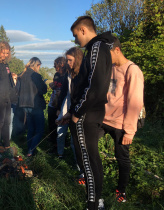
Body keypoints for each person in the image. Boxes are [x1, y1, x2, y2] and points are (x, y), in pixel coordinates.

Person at [62, 16, 114, 210]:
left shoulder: (96, 48)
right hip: (88, 112)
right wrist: (71, 112)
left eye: (76, 35)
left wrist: (77, 113)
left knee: (88, 161)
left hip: (88, 114)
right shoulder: (99, 48)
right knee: (92, 158)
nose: (76, 40)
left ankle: (92, 204)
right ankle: (97, 200)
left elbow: (94, 88)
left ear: (83, 30)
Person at [98, 37, 144, 202]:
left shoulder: (132, 70)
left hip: (121, 123)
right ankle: (93, 181)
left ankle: (121, 191)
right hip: (104, 119)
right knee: (87, 144)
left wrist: (129, 131)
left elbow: (135, 102)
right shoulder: (109, 68)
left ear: (117, 50)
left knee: (122, 158)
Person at [56, 47, 83, 161]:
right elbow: (64, 92)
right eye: (67, 60)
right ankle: (60, 154)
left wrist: (72, 113)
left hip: (78, 108)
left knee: (75, 139)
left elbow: (80, 97)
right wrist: (59, 108)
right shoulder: (68, 73)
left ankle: (80, 167)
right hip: (67, 104)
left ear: (77, 59)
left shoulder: (83, 74)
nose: (68, 63)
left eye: (70, 60)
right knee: (60, 130)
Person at [18, 57, 47, 157]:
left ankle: (28, 149)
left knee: (30, 129)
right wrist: (44, 83)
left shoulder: (22, 75)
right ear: (36, 65)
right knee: (39, 129)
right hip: (35, 105)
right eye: (39, 66)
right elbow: (43, 90)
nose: (39, 68)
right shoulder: (36, 76)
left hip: (24, 105)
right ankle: (31, 150)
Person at [47, 56, 66, 154]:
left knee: (59, 125)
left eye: (56, 65)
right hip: (52, 103)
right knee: (51, 125)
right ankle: (53, 144)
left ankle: (59, 148)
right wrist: (53, 86)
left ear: (61, 64)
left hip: (61, 104)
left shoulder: (66, 76)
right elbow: (55, 85)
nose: (54, 67)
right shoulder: (56, 75)